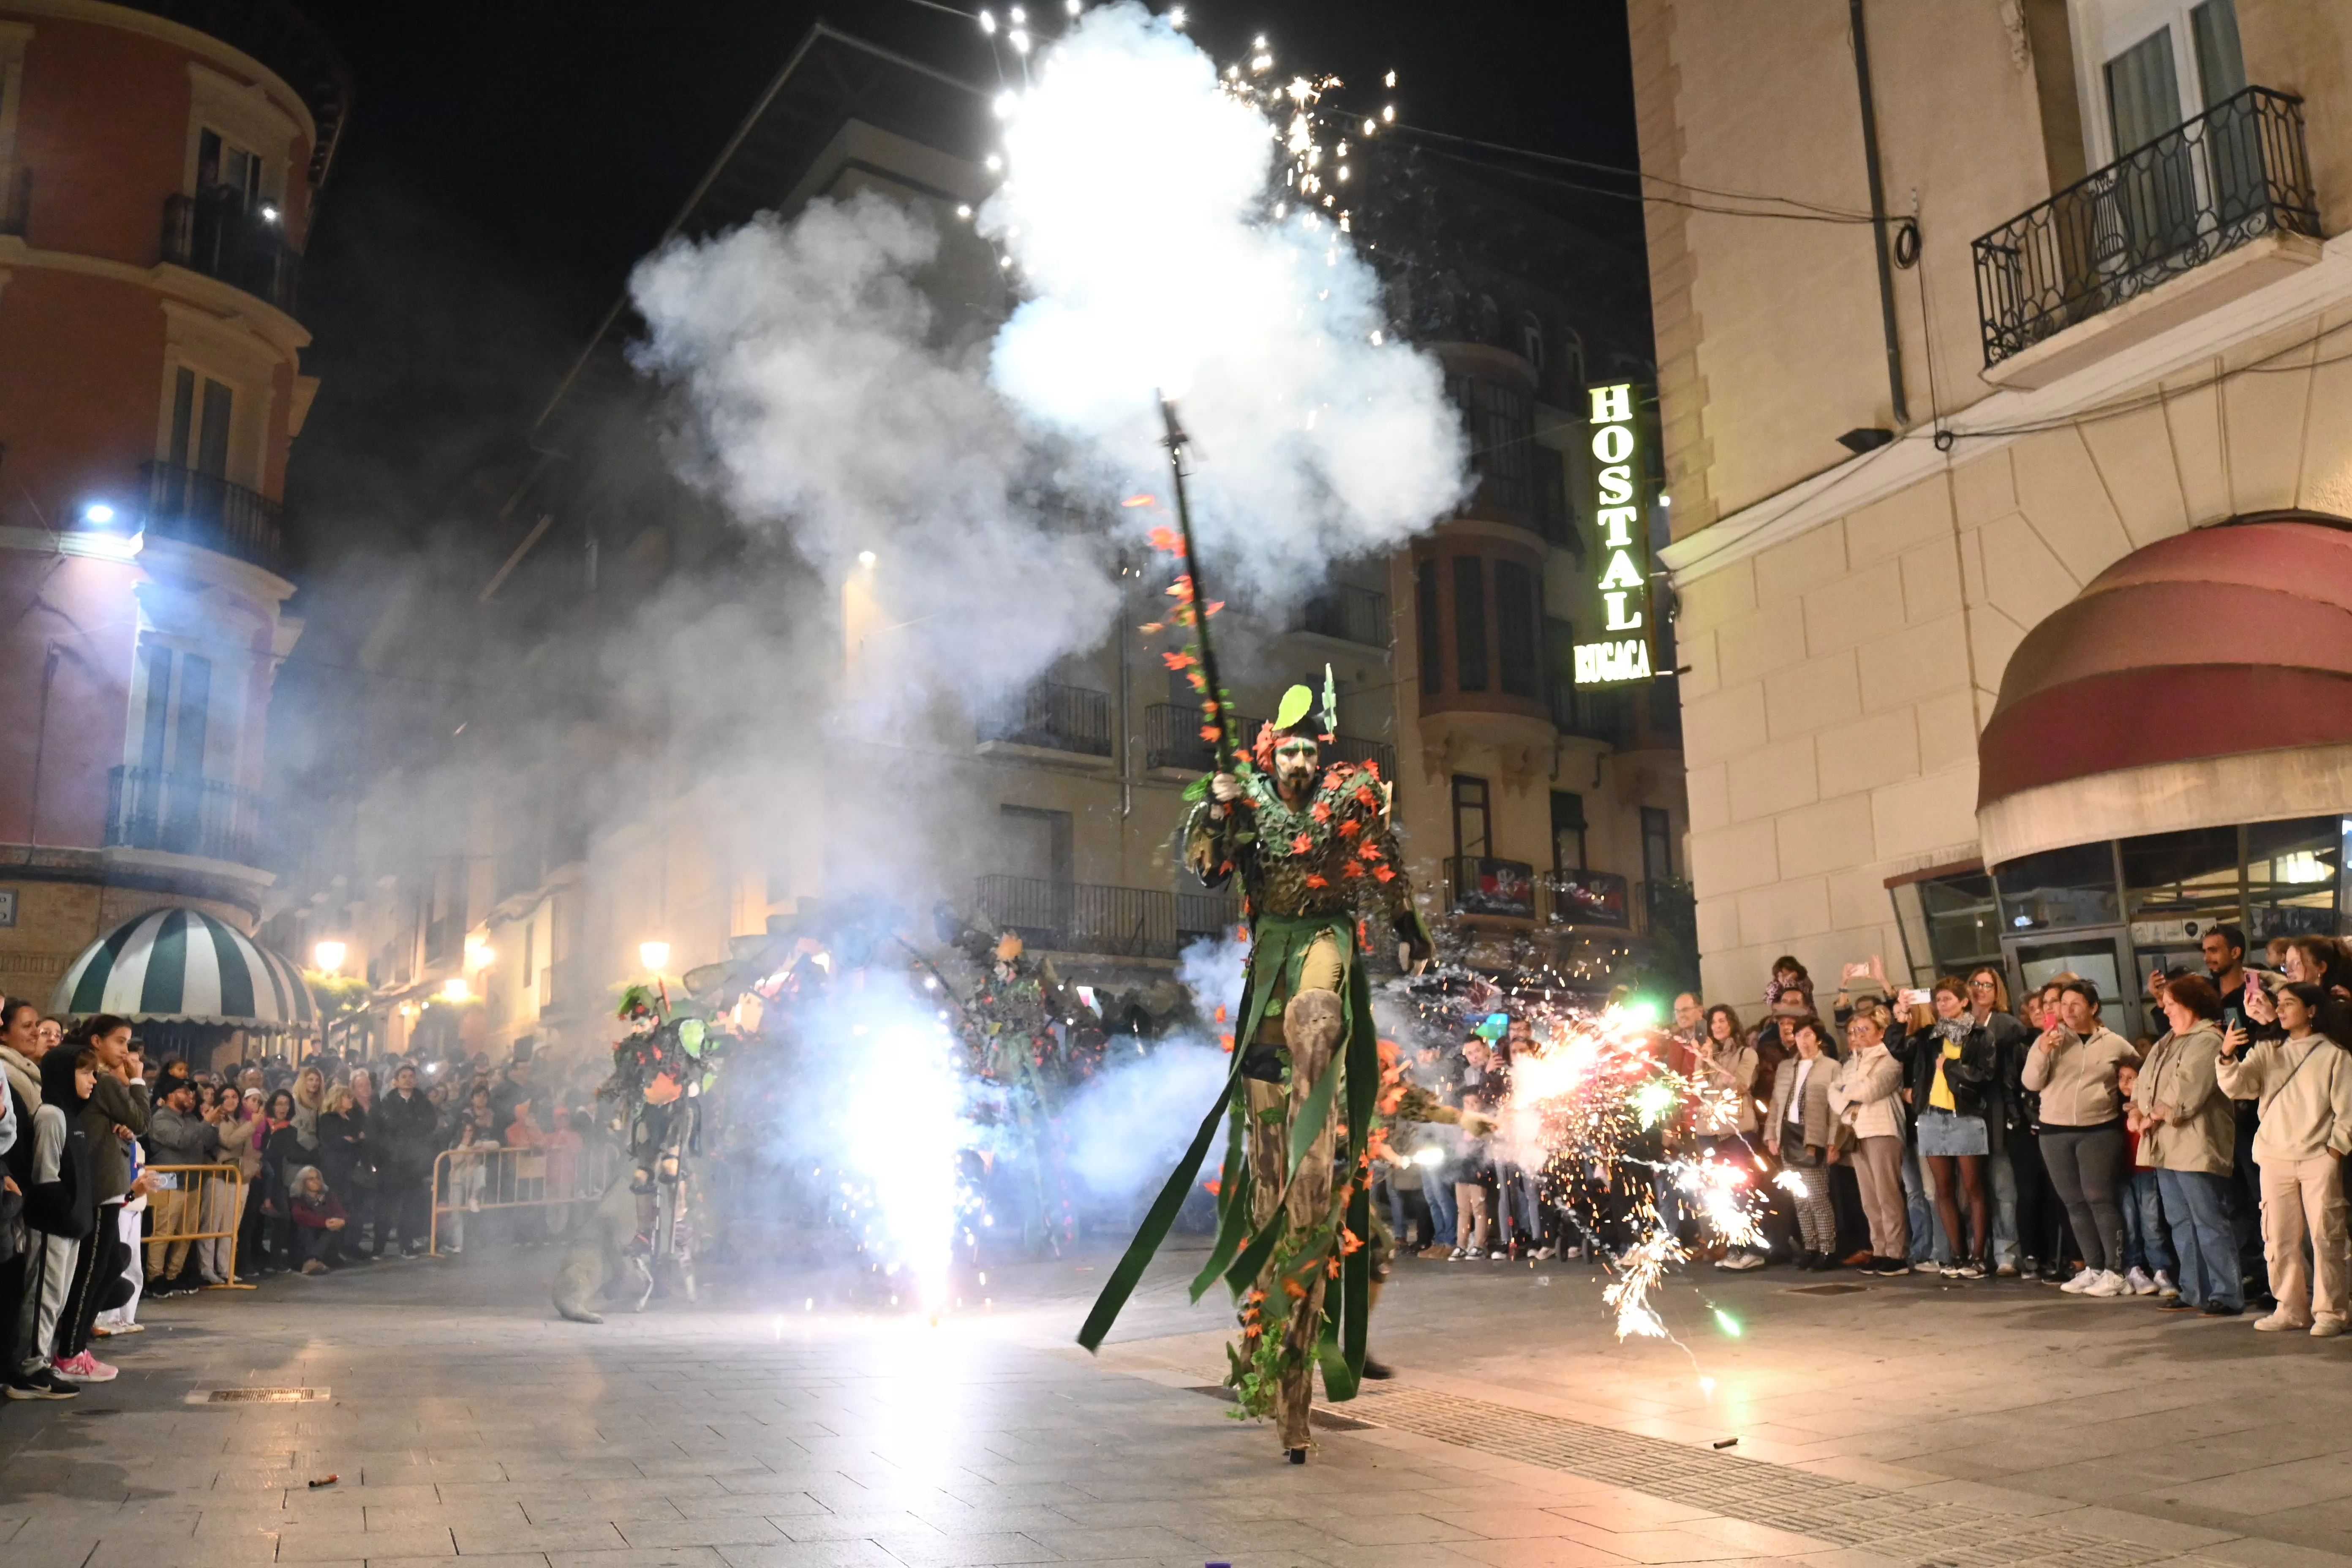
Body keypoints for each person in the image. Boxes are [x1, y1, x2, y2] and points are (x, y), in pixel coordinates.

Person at [2217, 981, 2352, 1335]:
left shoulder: (2334, 1053)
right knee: (2279, 1237)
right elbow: (2240, 1086)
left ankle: (2332, 1311)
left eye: (2290, 1003)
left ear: (2312, 1010)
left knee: (2327, 1236)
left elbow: (2348, 1111)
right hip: (2274, 1156)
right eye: (2280, 1003)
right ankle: (2290, 1308)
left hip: (2317, 1157)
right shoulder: (2268, 1049)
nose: (2281, 1009)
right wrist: (2227, 1056)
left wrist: (2334, 1150)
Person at [2023, 980, 2139, 1298]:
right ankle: (2094, 1267)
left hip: (2099, 1130)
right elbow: (2031, 1082)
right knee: (2073, 1202)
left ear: (2093, 1007)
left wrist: (2132, 1100)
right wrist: (2044, 1051)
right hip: (2055, 1131)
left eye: (2076, 1004)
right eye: (2064, 1004)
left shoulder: (2115, 1043)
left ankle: (2116, 1272)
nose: (2068, 1010)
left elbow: (2138, 1070)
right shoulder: (2050, 1039)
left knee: (2099, 1198)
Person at [2130, 974, 2232, 1313]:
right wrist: (2137, 1110)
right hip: (2166, 1146)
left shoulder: (2207, 1040)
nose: (2166, 1009)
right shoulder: (2168, 1040)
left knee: (2208, 1220)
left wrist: (2153, 1116)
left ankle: (2226, 1293)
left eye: (2171, 1003)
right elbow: (2144, 1081)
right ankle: (2193, 1290)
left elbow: (2188, 1090)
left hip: (2195, 1144)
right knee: (2180, 1221)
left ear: (2190, 1004)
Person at [12, 1046, 99, 1396]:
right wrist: (63, 1211)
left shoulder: (71, 1115)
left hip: (69, 1223)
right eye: (85, 1073)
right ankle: (29, 1368)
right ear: (65, 1075)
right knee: (44, 1296)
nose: (93, 1081)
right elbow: (46, 1174)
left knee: (58, 1297)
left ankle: (41, 1361)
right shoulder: (51, 1115)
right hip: (53, 1223)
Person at [1831, 1011, 1908, 1274]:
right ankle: (1879, 1249)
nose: (1857, 1036)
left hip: (1882, 1129)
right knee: (1869, 1198)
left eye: (1864, 1030)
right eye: (1853, 1031)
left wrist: (1848, 1092)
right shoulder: (1851, 1063)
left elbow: (1873, 1089)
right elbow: (1833, 1092)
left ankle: (1896, 1252)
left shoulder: (1889, 1058)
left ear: (1880, 1032)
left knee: (1888, 1195)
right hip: (1856, 1130)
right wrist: (1848, 1093)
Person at [1766, 1018, 1843, 1269]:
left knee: (1818, 1196)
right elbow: (1777, 1104)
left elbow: (1836, 1110)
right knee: (1799, 1198)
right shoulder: (1787, 1067)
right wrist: (1771, 1135)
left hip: (1813, 1136)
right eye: (1799, 1036)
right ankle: (1810, 1246)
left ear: (1818, 1038)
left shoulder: (1831, 1066)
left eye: (1808, 1035)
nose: (1803, 1040)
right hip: (1788, 1134)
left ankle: (1828, 1249)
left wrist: (1833, 1142)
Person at [142, 1076, 222, 1293]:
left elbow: (207, 1142)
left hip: (193, 1181)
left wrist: (212, 1124)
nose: (191, 1097)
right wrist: (206, 1123)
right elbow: (181, 1141)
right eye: (185, 1092)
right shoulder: (160, 1119)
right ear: (170, 1095)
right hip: (169, 1180)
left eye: (192, 1094)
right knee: (163, 1232)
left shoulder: (191, 1119)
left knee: (186, 1233)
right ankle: (155, 1277)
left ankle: (173, 1274)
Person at [373, 1063, 440, 1257]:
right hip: (391, 1162)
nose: (408, 1080)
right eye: (404, 1076)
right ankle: (379, 1246)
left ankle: (406, 1244)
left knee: (410, 1207)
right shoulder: (387, 1102)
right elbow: (382, 1129)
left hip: (414, 1163)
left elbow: (429, 1124)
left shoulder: (422, 1102)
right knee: (386, 1207)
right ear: (396, 1080)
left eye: (411, 1076)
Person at [315, 1083, 374, 1260]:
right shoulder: (328, 1119)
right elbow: (336, 1143)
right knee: (339, 1208)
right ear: (338, 1099)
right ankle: (335, 1249)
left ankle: (351, 1245)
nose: (351, 1100)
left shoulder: (350, 1118)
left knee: (355, 1209)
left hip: (353, 1170)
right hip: (337, 1171)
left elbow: (360, 1138)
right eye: (347, 1097)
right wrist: (354, 1140)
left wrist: (353, 1140)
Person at [286, 1165, 350, 1274]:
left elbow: (342, 1213)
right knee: (305, 1227)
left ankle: (312, 1260)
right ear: (303, 1182)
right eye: (311, 1179)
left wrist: (342, 1221)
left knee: (334, 1228)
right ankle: (311, 1260)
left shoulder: (329, 1196)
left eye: (318, 1178)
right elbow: (300, 1216)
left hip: (325, 1244)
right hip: (305, 1244)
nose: (316, 1181)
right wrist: (325, 1223)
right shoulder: (298, 1199)